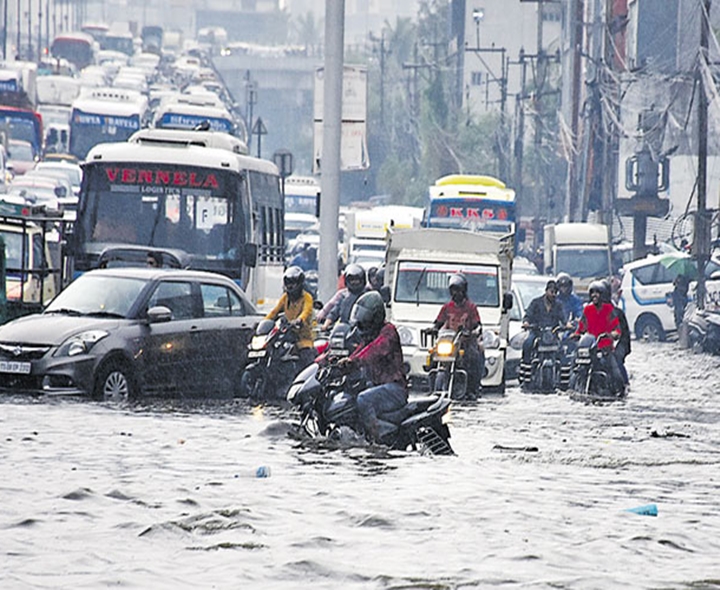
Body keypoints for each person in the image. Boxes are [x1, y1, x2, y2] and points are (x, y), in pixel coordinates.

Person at [338, 291, 407, 443]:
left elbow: (373, 351)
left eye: (365, 321)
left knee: (363, 399)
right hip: (379, 387)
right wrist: (335, 362)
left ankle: (374, 441)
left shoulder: (388, 332)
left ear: (374, 318)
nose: (362, 325)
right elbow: (359, 351)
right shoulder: (371, 335)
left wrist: (353, 362)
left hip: (395, 390)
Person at [431, 273, 484, 399]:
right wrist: (433, 329)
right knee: (433, 356)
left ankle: (472, 388)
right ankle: (433, 385)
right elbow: (438, 322)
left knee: (473, 357)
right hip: (449, 343)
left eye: (458, 290)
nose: (456, 293)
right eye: (453, 290)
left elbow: (478, 325)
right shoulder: (446, 307)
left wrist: (473, 332)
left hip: (465, 343)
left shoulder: (471, 307)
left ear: (463, 291)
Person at [574, 280, 625, 390]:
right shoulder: (587, 309)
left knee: (617, 375)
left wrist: (613, 334)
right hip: (589, 349)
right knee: (574, 367)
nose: (594, 295)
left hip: (604, 350)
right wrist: (576, 334)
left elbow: (617, 328)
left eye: (597, 293)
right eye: (592, 293)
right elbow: (582, 327)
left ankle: (620, 390)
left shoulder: (609, 309)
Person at [264, 266, 316, 370]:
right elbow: (274, 312)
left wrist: (299, 320)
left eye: (293, 283)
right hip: (287, 334)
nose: (290, 286)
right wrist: (265, 322)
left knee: (306, 359)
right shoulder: (285, 298)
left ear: (300, 283)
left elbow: (306, 311)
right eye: (288, 283)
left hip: (303, 337)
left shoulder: (307, 297)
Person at [520, 279, 566, 384]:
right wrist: (526, 322)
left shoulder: (559, 305)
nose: (553, 294)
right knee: (528, 343)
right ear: (546, 291)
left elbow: (563, 318)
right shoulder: (536, 302)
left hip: (553, 334)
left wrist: (566, 324)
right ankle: (525, 372)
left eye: (555, 292)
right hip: (537, 332)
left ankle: (563, 378)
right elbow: (528, 315)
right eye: (551, 291)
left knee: (563, 349)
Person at [317, 264, 368, 331]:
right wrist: (325, 326)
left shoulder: (368, 296)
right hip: (345, 331)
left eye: (356, 280)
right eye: (352, 280)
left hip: (362, 332)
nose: (354, 282)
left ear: (362, 280)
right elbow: (334, 313)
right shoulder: (343, 297)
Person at [601, 278, 631, 388]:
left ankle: (625, 383)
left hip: (620, 342)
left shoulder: (616, 312)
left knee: (616, 359)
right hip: (601, 343)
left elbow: (621, 333)